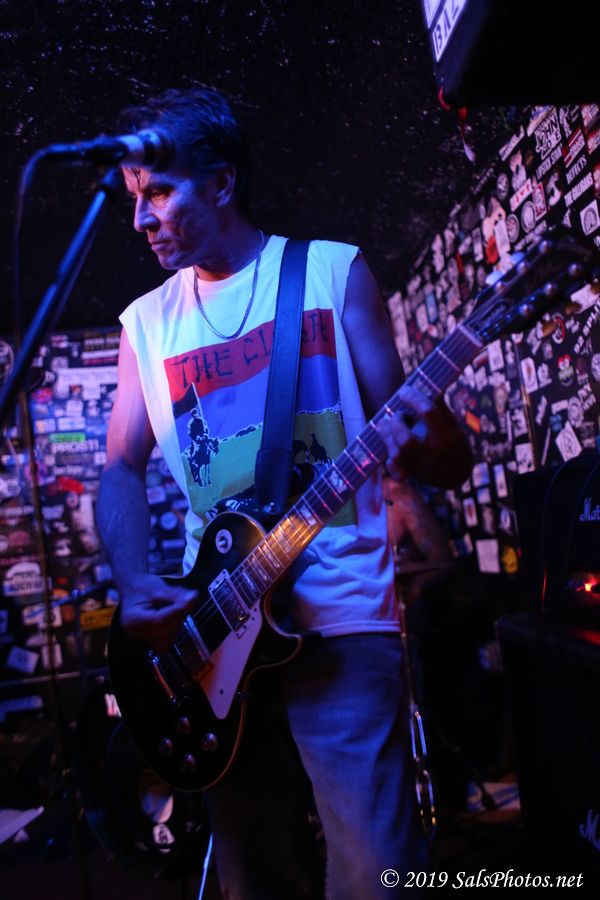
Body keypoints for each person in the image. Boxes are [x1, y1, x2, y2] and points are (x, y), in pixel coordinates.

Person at [96, 87, 472, 899]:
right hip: (213, 642)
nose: (140, 219)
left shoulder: (332, 271)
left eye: (158, 192)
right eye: (133, 198)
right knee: (254, 882)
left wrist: (428, 423)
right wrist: (131, 583)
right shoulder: (145, 325)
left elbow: (440, 458)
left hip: (340, 618)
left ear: (221, 182)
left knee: (377, 876)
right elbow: (119, 468)